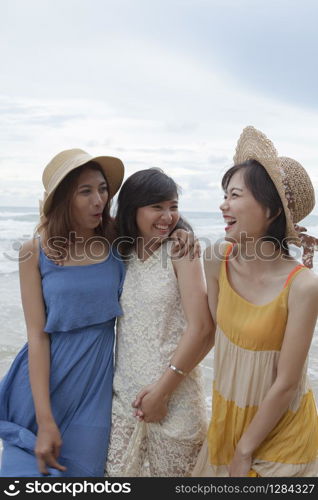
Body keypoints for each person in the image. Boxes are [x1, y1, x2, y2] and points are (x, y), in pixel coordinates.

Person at [193, 126, 318, 477]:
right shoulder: (216, 257)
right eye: (225, 194)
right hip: (227, 421)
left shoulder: (302, 287)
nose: (223, 204)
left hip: (282, 432)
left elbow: (287, 382)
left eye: (234, 195)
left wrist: (245, 450)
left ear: (273, 211)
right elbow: (212, 330)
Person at [0, 148, 126, 476]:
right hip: (42, 387)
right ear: (63, 200)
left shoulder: (118, 244)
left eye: (102, 189)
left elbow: (162, 227)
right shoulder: (34, 252)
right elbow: (37, 337)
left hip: (93, 389)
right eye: (85, 191)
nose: (98, 199)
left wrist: (182, 234)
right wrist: (44, 420)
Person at [105, 168, 215, 477]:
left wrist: (162, 392)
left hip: (175, 400)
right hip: (124, 400)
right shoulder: (119, 251)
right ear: (132, 209)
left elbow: (203, 328)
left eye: (173, 206)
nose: (168, 216)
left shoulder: (181, 251)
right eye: (157, 207)